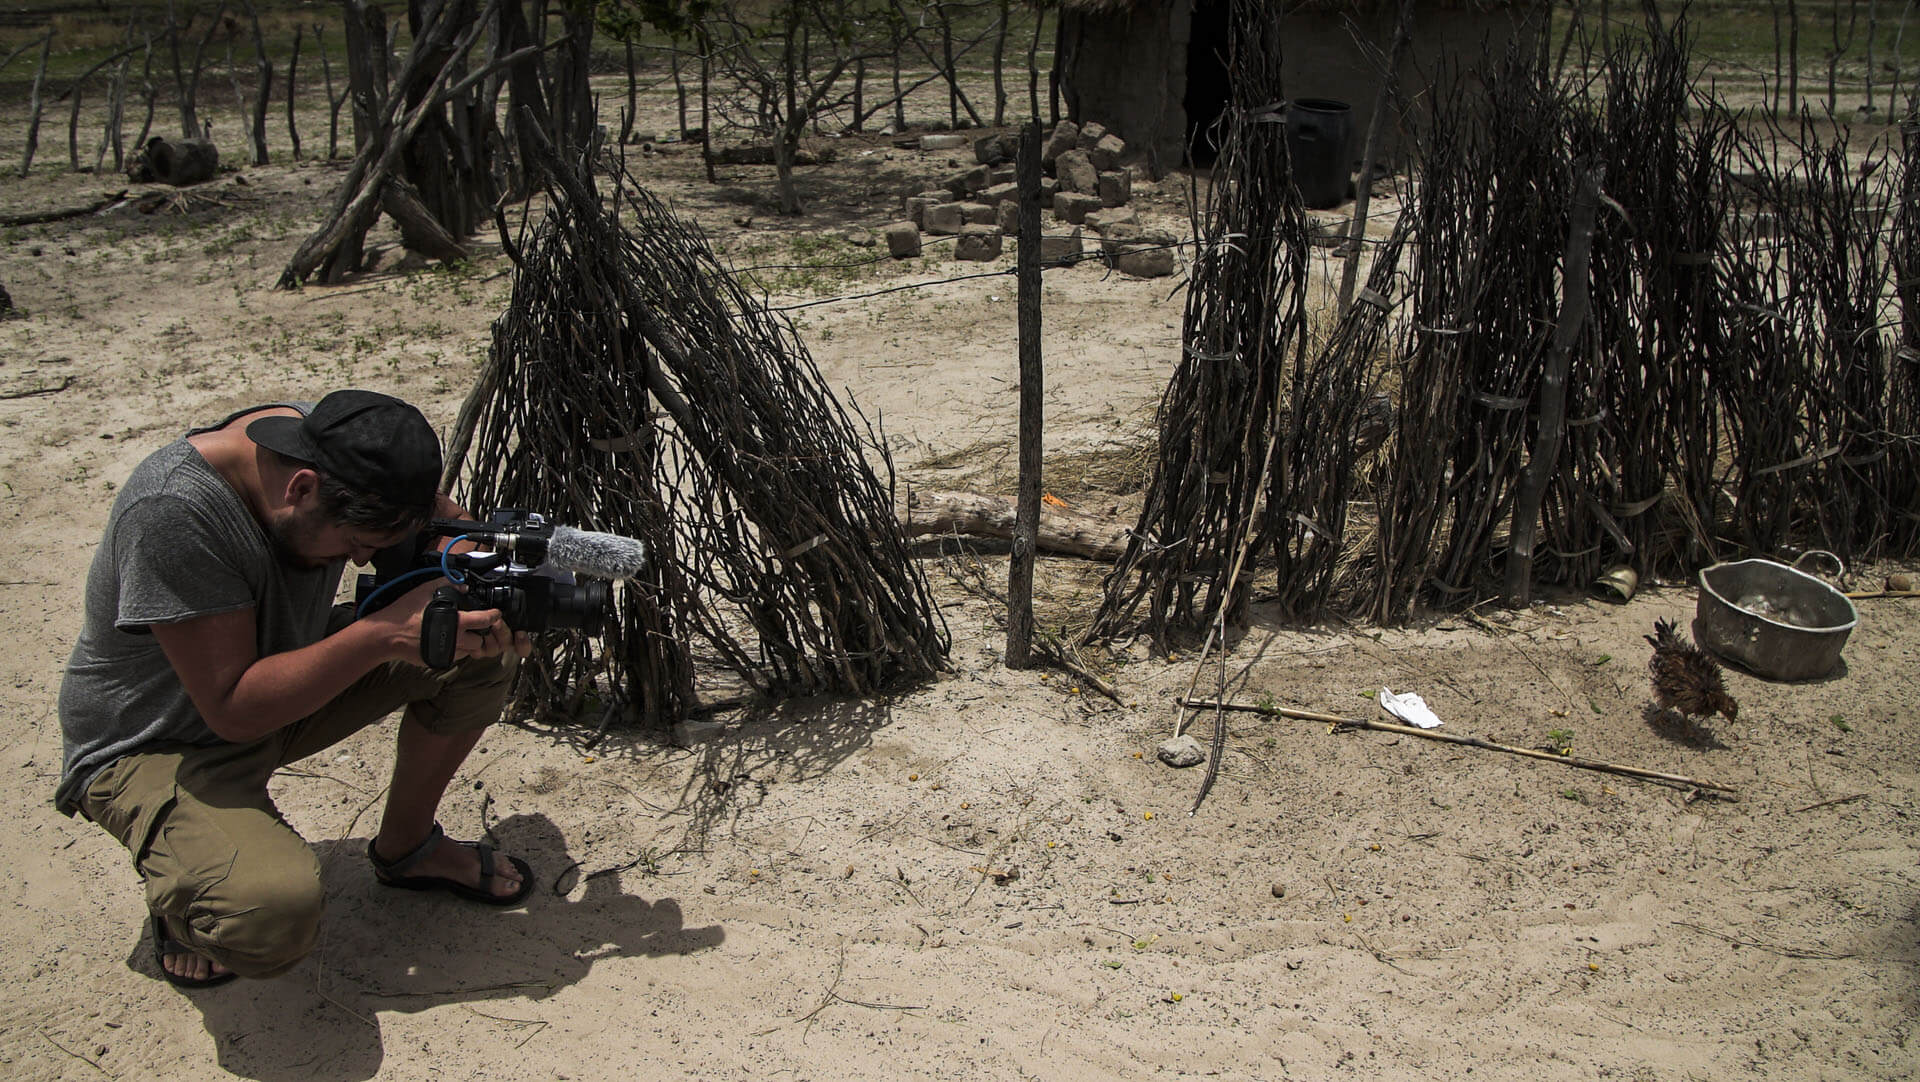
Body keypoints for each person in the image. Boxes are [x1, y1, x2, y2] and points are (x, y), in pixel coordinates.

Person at [55, 390, 535, 989]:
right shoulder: (174, 512)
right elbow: (233, 711)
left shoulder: (336, 449)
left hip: (274, 689)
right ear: (302, 489)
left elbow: (437, 517)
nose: (361, 560)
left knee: (468, 645)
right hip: (158, 741)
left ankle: (408, 850)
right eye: (354, 543)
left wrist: (465, 561)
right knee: (269, 916)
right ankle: (188, 898)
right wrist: (384, 634)